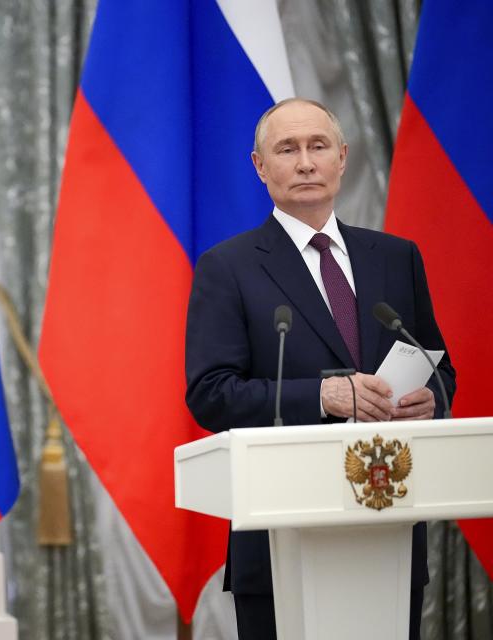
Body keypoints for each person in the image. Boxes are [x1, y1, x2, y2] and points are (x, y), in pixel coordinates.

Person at [185, 98, 455, 640]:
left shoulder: (396, 256)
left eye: (318, 146)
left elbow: (437, 365)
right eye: (287, 149)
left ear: (342, 158)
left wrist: (433, 398)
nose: (306, 162)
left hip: (388, 526)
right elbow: (211, 395)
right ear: (261, 167)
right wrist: (324, 396)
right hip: (281, 538)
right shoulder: (228, 267)